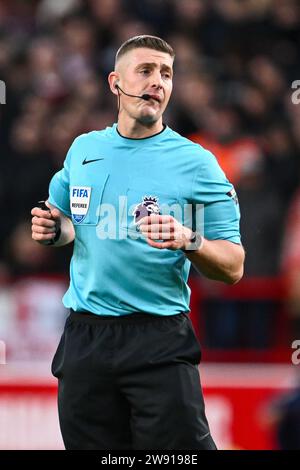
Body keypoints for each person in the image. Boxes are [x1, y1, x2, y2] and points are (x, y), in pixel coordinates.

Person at [31, 35, 244, 450]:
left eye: (166, 73)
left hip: (159, 340)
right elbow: (70, 222)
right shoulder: (84, 150)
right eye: (145, 71)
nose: (157, 82)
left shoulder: (196, 162)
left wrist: (189, 239)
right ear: (115, 82)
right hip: (85, 340)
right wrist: (55, 231)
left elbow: (234, 266)